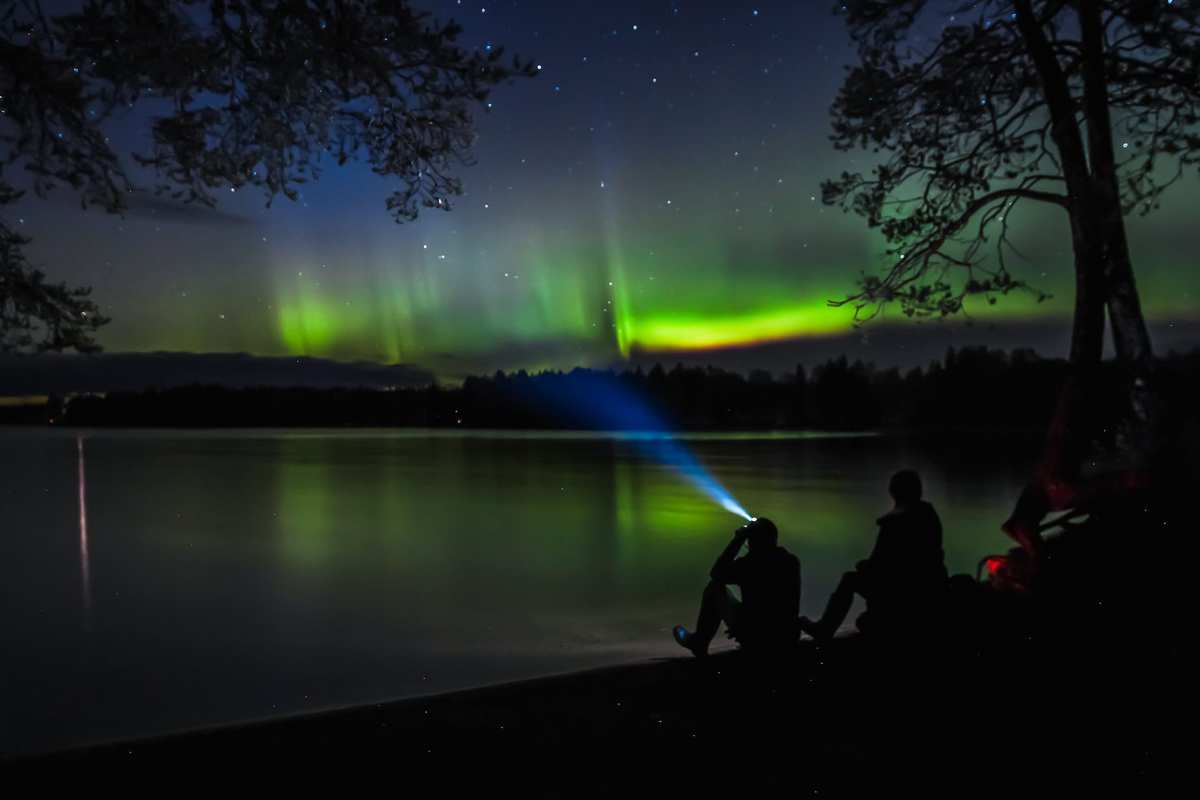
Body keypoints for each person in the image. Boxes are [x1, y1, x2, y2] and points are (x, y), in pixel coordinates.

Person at [800, 469, 947, 640]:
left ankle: (824, 629)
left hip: (900, 588)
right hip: (926, 584)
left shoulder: (895, 523)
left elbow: (879, 563)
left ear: (895, 493)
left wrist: (864, 566)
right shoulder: (929, 514)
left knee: (850, 579)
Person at [673, 517, 800, 657]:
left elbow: (716, 573)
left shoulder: (749, 564)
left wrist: (737, 539)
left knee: (714, 588)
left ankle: (699, 642)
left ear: (752, 540)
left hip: (756, 637)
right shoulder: (790, 561)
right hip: (787, 636)